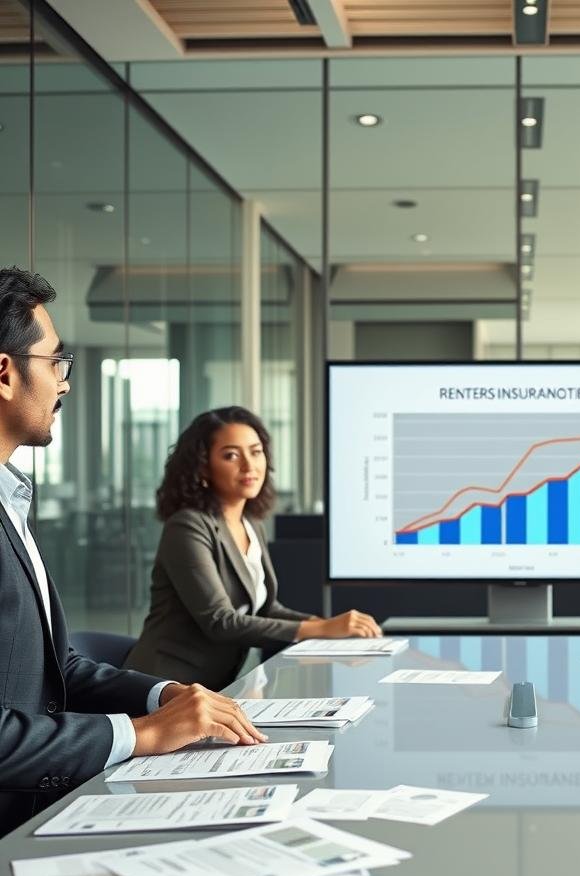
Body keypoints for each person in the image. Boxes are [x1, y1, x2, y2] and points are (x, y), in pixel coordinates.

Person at [0, 267, 266, 836]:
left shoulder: (14, 498)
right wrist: (142, 733)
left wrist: (163, 694)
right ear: (4, 372)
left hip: (46, 804)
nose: (64, 383)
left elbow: (55, 672)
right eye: (55, 363)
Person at [125, 407, 381, 690]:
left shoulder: (251, 524)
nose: (249, 466)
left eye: (256, 452)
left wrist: (326, 626)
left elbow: (266, 608)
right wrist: (321, 629)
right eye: (231, 455)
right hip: (167, 687)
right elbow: (220, 621)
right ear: (202, 467)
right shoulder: (187, 526)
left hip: (215, 687)